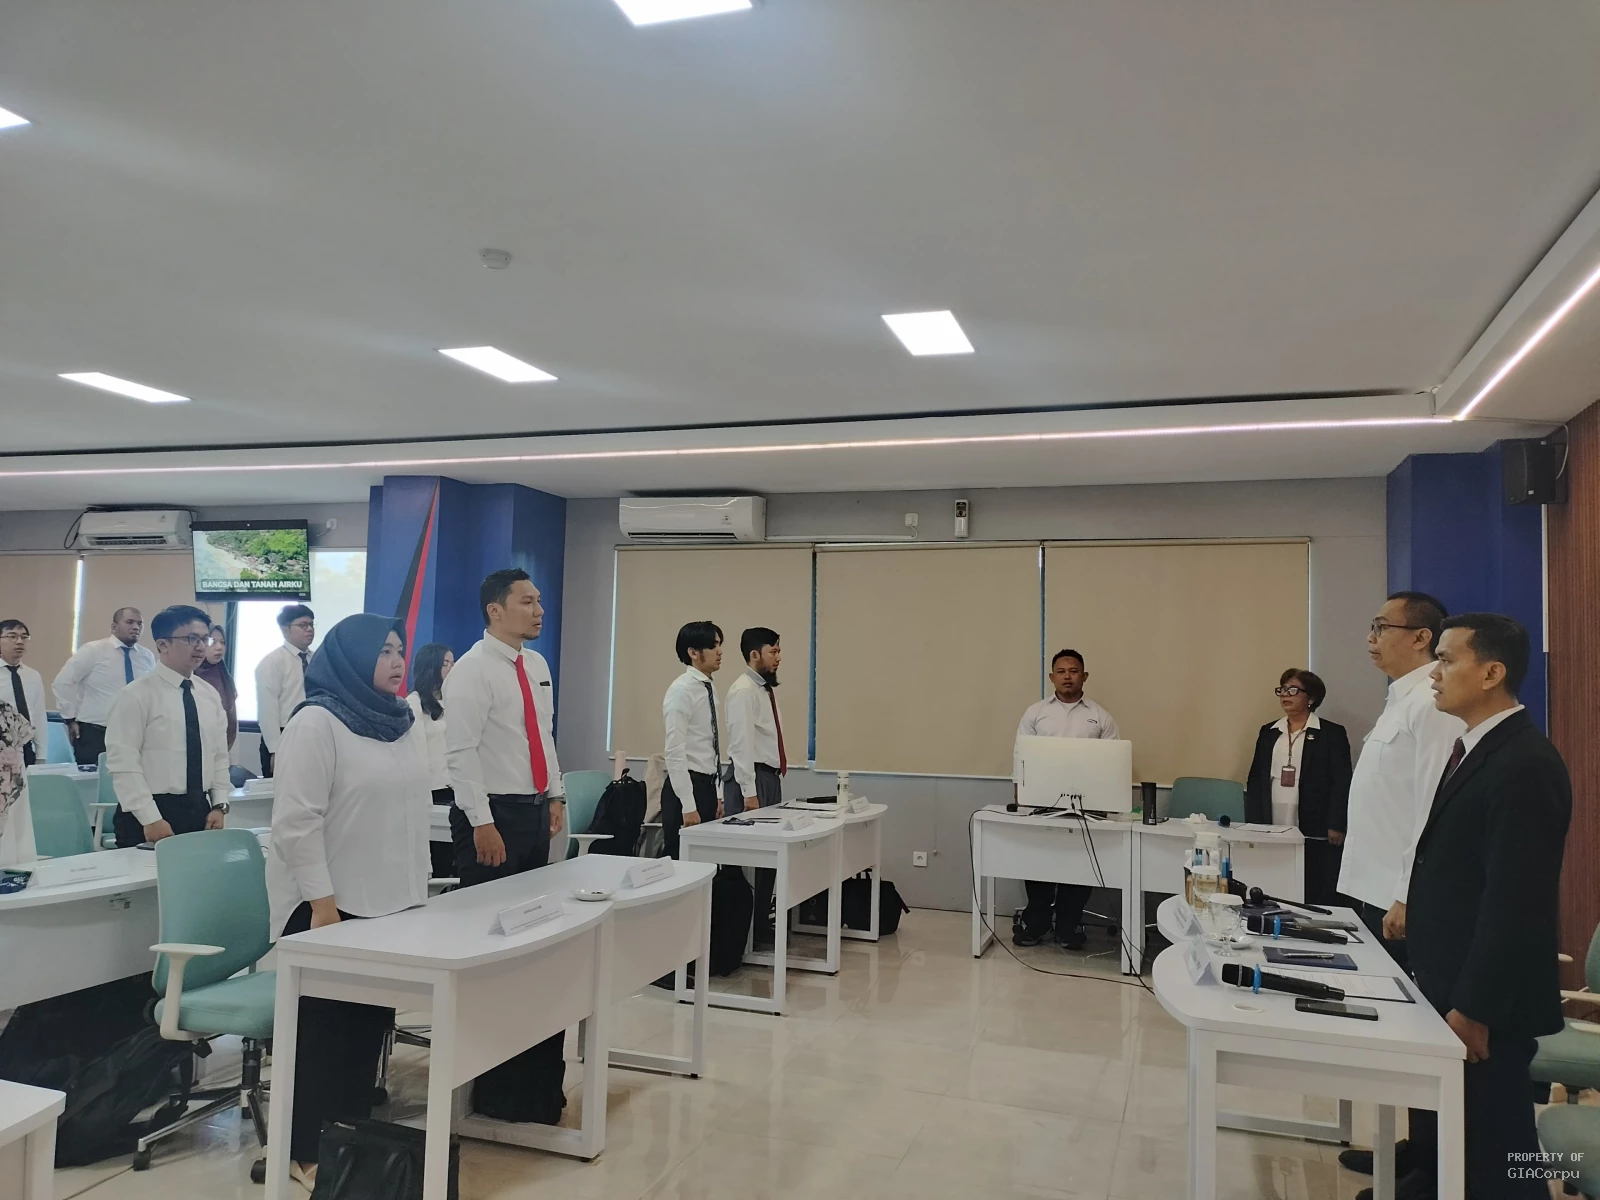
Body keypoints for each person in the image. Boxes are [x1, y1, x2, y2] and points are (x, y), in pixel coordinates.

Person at [1378, 615, 1570, 1200]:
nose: (1434, 673)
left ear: (1491, 673)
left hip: (1487, 1001)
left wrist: (1474, 1007)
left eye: (1446, 659)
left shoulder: (1524, 763)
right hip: (1452, 977)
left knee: (1501, 1152)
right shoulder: (1475, 748)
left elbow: (1516, 900)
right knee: (1462, 1140)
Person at [266, 614, 429, 1189]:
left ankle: (351, 1144)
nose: (396, 660)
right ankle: (303, 1149)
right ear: (352, 658)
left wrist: (416, 895)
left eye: (399, 649)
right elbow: (296, 823)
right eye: (383, 651)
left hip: (389, 903)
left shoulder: (402, 721)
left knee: (364, 1033)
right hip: (328, 906)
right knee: (323, 1039)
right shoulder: (316, 722)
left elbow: (410, 812)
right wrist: (323, 903)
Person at [1336, 591, 1465, 1183]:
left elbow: (1431, 808)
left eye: (1380, 626)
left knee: (1417, 1030)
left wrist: (1408, 894)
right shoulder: (1400, 699)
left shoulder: (1432, 702)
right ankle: (1414, 1148)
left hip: (1400, 899)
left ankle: (1434, 1169)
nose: (1370, 637)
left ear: (1420, 637)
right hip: (1374, 889)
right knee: (1395, 1030)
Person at [442, 570, 566, 1122]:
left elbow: (544, 736)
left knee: (530, 939)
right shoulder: (471, 671)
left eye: (539, 601)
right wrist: (480, 821)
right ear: (495, 611)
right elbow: (461, 753)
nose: (538, 610)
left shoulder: (535, 665)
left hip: (534, 811)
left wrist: (556, 794)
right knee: (492, 946)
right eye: (526, 602)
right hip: (491, 817)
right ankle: (487, 1086)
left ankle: (527, 1082)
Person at [1012, 649, 1121, 950]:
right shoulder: (1035, 713)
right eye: (1061, 672)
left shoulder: (1100, 717)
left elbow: (1112, 763)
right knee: (1039, 866)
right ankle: (1037, 924)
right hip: (1042, 803)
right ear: (1052, 677)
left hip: (1086, 807)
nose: (1067, 677)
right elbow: (1021, 755)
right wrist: (1019, 793)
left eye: (1073, 671)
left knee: (1078, 868)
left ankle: (1068, 927)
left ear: (1084, 676)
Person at [104, 605, 230, 848]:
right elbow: (123, 763)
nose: (200, 646)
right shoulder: (135, 695)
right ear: (162, 645)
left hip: (200, 811)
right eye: (191, 639)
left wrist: (219, 804)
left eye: (204, 639)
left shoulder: (208, 695)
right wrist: (150, 818)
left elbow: (219, 756)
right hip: (149, 813)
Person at [1244, 669, 1352, 904]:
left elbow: (1342, 781)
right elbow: (1256, 778)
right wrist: (1253, 822)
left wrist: (1336, 823)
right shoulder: (1269, 731)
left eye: (1293, 690)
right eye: (1282, 690)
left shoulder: (1331, 733)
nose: (1285, 695)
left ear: (1311, 697)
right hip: (1273, 816)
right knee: (1273, 875)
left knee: (1312, 882)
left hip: (1313, 820)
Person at [724, 626, 787, 940]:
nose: (778, 658)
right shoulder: (743, 691)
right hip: (750, 781)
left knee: (769, 858)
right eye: (773, 651)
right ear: (754, 655)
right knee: (747, 859)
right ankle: (743, 930)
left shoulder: (763, 689)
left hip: (769, 778)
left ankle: (760, 924)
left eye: (778, 651)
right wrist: (749, 793)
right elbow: (740, 746)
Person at [52, 607, 156, 765]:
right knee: (93, 778)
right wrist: (69, 719)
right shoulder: (93, 650)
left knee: (130, 777)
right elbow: (63, 682)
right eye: (130, 622)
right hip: (96, 732)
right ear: (114, 627)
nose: (136, 627)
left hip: (134, 734)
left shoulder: (146, 656)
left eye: (139, 624)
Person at [661, 620, 724, 860]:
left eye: (719, 645)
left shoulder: (708, 688)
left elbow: (711, 744)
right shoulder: (682, 690)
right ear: (693, 653)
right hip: (686, 788)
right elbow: (674, 751)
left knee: (705, 864)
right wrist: (688, 804)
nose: (720, 651)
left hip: (706, 786)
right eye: (713, 646)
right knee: (682, 864)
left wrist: (718, 794)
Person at [406, 642, 455, 877]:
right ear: (431, 666)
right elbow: (414, 753)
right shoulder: (414, 704)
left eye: (454, 663)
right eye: (446, 663)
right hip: (432, 790)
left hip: (455, 787)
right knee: (439, 858)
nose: (452, 668)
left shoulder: (453, 701)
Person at [254, 604, 315, 778]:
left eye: (311, 624)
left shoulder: (316, 659)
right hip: (284, 734)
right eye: (303, 625)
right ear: (285, 629)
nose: (309, 629)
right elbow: (267, 710)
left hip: (313, 732)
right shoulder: (272, 662)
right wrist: (275, 750)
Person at [0, 619, 47, 766]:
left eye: (24, 637)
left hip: (25, 748)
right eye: (12, 636)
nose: (19, 641)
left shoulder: (32, 675)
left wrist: (41, 755)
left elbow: (38, 716)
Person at [195, 624, 238, 749]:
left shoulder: (224, 674)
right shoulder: (190, 676)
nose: (219, 647)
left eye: (222, 642)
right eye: (212, 642)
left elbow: (231, 715)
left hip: (225, 744)